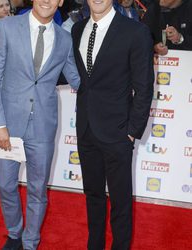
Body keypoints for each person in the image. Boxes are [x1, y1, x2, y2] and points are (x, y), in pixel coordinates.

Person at [0, 0, 80, 249]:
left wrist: (114, 78)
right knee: (5, 184)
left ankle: (30, 241)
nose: (46, 0)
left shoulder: (64, 39)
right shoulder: (6, 27)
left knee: (38, 189)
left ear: (60, 2)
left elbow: (78, 80)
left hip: (43, 125)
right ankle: (15, 232)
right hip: (8, 123)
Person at [71, 0, 154, 249]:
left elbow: (144, 88)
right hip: (86, 128)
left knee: (120, 202)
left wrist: (131, 132)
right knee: (93, 196)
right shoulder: (77, 29)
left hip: (118, 132)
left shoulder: (135, 32)